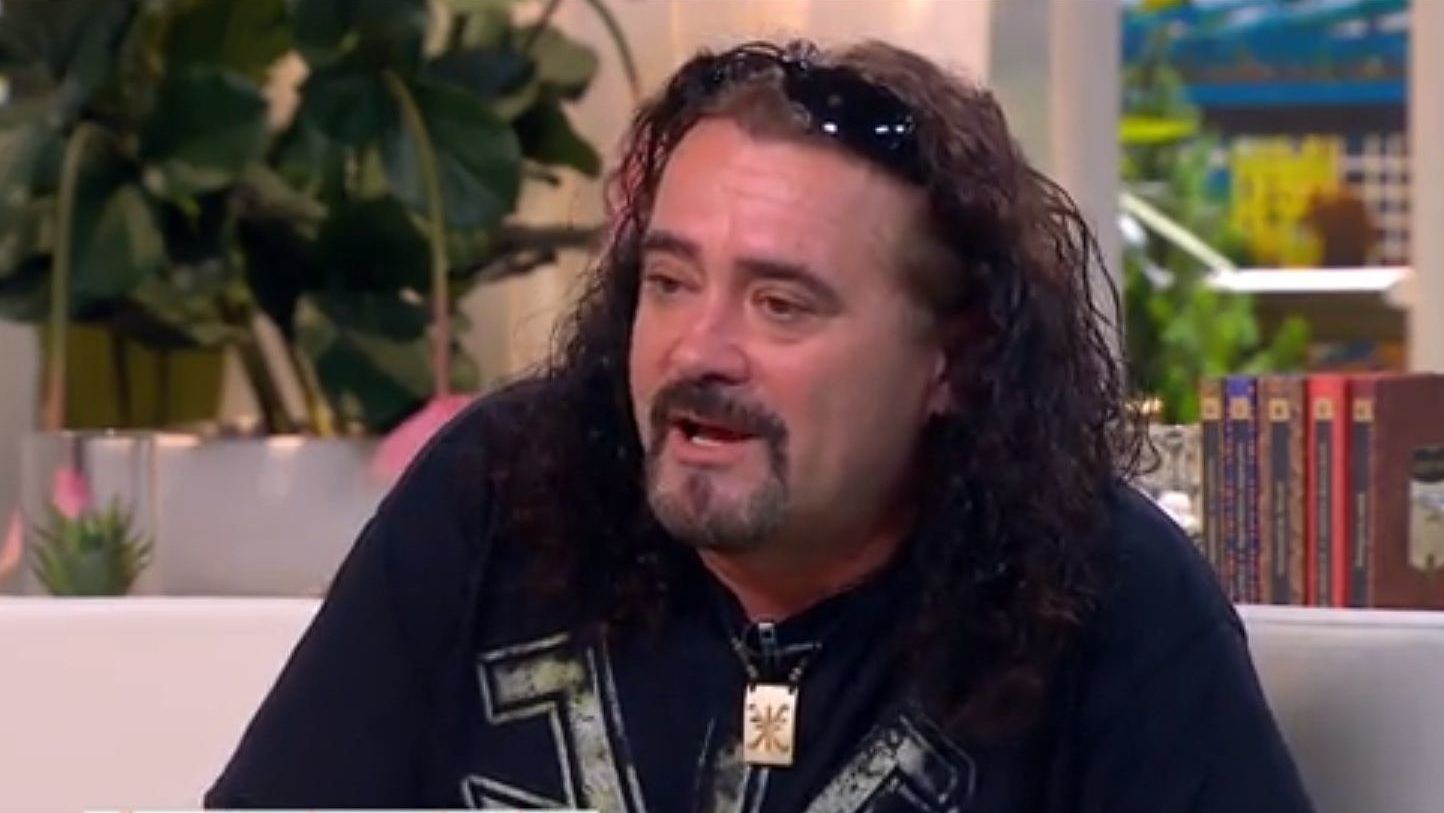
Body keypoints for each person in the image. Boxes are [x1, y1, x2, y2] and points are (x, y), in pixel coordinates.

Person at [206, 39, 1315, 812]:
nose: (697, 350)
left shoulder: (1099, 591)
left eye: (781, 304)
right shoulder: (501, 493)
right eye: (670, 283)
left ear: (955, 360)